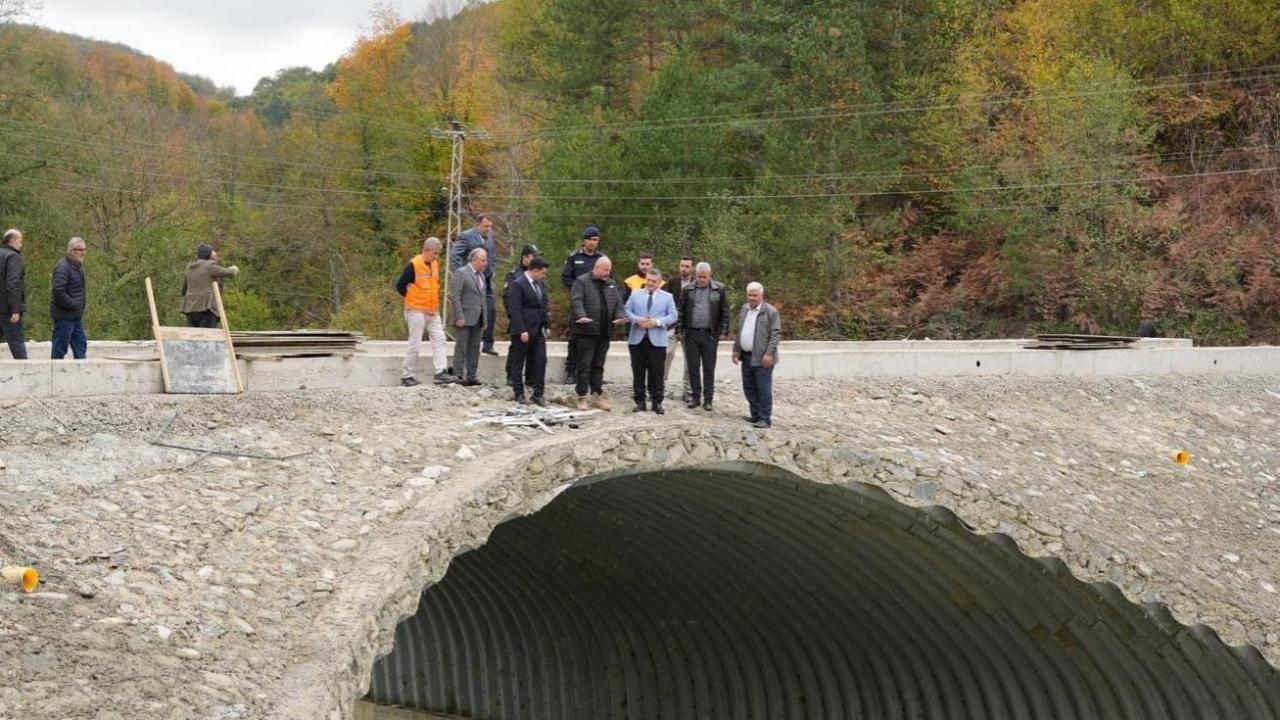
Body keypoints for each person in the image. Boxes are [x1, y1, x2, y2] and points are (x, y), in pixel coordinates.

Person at [396, 237, 456, 386]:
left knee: (440, 340)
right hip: (416, 310)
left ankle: (440, 372)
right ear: (427, 250)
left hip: (432, 310)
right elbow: (400, 285)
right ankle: (407, 375)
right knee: (415, 343)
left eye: (438, 254)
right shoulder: (413, 265)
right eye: (435, 253)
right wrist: (413, 299)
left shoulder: (434, 264)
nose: (437, 256)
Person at [569, 255, 627, 410]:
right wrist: (581, 315)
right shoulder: (582, 281)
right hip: (586, 331)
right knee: (584, 365)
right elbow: (576, 301)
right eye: (605, 270)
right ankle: (581, 396)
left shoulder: (611, 284)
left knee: (599, 365)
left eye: (609, 270)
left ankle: (596, 395)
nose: (608, 273)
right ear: (597, 268)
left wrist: (620, 316)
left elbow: (619, 304)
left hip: (604, 332)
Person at [625, 269, 679, 414]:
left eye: (653, 281)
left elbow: (673, 316)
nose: (649, 283)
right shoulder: (635, 294)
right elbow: (627, 310)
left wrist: (658, 322)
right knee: (638, 371)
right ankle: (640, 401)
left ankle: (657, 402)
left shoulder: (667, 297)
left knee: (657, 372)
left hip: (657, 340)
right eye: (648, 280)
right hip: (637, 339)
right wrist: (637, 320)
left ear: (659, 283)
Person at [679, 262, 729, 411]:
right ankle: (695, 396)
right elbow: (680, 310)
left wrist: (723, 331)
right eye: (699, 277)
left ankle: (708, 399)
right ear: (695, 275)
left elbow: (725, 311)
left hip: (710, 335)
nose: (701, 280)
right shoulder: (687, 289)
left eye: (704, 277)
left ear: (710, 276)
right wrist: (679, 329)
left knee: (709, 368)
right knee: (693, 367)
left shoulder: (719, 289)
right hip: (691, 333)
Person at [732, 282, 781, 429]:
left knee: (763, 388)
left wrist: (769, 353)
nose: (752, 298)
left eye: (755, 295)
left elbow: (775, 334)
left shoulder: (770, 312)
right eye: (750, 295)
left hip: (763, 358)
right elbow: (740, 330)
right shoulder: (745, 308)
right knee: (749, 387)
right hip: (746, 355)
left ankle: (765, 418)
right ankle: (755, 415)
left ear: (761, 296)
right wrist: (736, 349)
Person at [448, 215, 499, 356]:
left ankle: (488, 344)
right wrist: (462, 273)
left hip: (486, 280)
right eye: (486, 226)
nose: (489, 229)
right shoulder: (466, 236)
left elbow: (493, 255)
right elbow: (454, 255)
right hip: (470, 281)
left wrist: (493, 269)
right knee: (469, 310)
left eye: (490, 226)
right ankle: (466, 346)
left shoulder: (490, 237)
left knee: (491, 310)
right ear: (477, 225)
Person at [505, 256, 552, 405]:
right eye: (542, 273)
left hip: (537, 329)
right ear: (535, 270)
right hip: (523, 330)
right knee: (518, 362)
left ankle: (538, 393)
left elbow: (543, 305)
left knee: (540, 361)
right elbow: (515, 309)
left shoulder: (540, 285)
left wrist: (547, 324)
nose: (543, 276)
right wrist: (521, 329)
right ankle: (519, 393)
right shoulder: (518, 284)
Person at [560, 225, 603, 382]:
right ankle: (571, 372)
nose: (593, 243)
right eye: (590, 240)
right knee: (575, 337)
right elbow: (566, 278)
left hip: (596, 304)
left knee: (595, 338)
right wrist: (578, 290)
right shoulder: (574, 257)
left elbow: (607, 278)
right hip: (579, 303)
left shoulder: (600, 258)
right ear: (584, 241)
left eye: (595, 240)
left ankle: (592, 372)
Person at [449, 247, 489, 386]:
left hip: (478, 318)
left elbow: (483, 298)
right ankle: (458, 375)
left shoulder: (482, 276)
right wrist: (459, 316)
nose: (485, 263)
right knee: (461, 347)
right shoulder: (461, 273)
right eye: (483, 260)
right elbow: (455, 296)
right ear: (474, 259)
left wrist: (485, 318)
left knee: (474, 348)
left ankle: (472, 376)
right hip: (464, 318)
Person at [503, 244, 540, 384]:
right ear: (525, 257)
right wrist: (514, 317)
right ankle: (511, 376)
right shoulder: (514, 275)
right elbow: (508, 298)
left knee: (533, 349)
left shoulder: (537, 273)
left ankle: (530, 377)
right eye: (533, 256)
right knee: (517, 349)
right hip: (519, 319)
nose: (536, 259)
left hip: (533, 320)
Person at [181, 244, 239, 328]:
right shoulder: (210, 266)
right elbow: (230, 273)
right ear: (209, 255)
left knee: (193, 339)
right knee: (208, 339)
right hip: (206, 309)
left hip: (190, 310)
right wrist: (234, 268)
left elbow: (183, 291)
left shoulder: (189, 268)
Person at [50, 236, 88, 360]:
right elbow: (58, 291)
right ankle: (55, 373)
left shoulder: (77, 266)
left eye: (84, 249)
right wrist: (73, 304)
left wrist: (78, 308)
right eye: (80, 249)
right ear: (72, 250)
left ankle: (82, 372)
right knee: (60, 346)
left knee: (81, 344)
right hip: (64, 316)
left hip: (75, 316)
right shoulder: (63, 267)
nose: (84, 252)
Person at [666, 256, 696, 402]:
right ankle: (659, 386)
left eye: (687, 266)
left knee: (690, 359)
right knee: (666, 354)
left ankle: (688, 391)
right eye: (682, 265)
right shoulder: (672, 282)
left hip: (689, 328)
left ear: (692, 268)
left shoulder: (697, 284)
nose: (684, 268)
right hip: (672, 325)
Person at [0, 228, 27, 359]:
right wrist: (15, 310)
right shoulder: (13, 257)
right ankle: (28, 376)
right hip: (8, 311)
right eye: (20, 241)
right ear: (12, 241)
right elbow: (13, 284)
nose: (21, 244)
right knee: (17, 344)